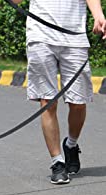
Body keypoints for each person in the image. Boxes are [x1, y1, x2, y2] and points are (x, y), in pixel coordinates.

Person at [11, 0, 106, 184]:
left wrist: (98, 15)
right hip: (40, 37)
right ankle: (57, 162)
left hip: (75, 37)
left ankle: (71, 144)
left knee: (78, 102)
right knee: (48, 101)